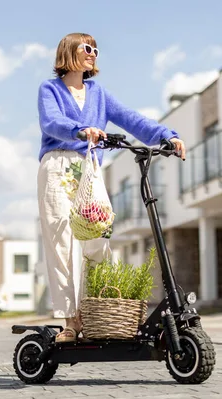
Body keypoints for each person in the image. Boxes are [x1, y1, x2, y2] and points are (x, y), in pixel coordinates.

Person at [37, 32, 186, 343]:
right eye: (87, 48)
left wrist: (165, 136)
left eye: (96, 49)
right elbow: (51, 122)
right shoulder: (50, 89)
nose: (93, 53)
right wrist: (80, 129)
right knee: (62, 241)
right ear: (69, 52)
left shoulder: (98, 93)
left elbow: (130, 119)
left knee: (98, 238)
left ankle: (97, 315)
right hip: (58, 166)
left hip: (89, 169)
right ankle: (69, 321)